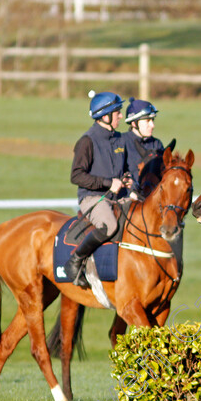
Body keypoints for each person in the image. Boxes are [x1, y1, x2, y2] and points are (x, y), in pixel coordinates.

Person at [64, 90, 133, 287]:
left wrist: (127, 180)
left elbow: (126, 169)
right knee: (110, 226)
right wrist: (109, 183)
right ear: (105, 116)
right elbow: (76, 176)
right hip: (93, 199)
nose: (121, 116)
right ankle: (75, 261)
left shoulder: (120, 140)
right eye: (118, 112)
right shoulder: (87, 141)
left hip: (119, 197)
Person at [123, 97, 164, 195]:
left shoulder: (157, 144)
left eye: (152, 120)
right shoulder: (121, 142)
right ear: (134, 123)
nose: (152, 125)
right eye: (147, 121)